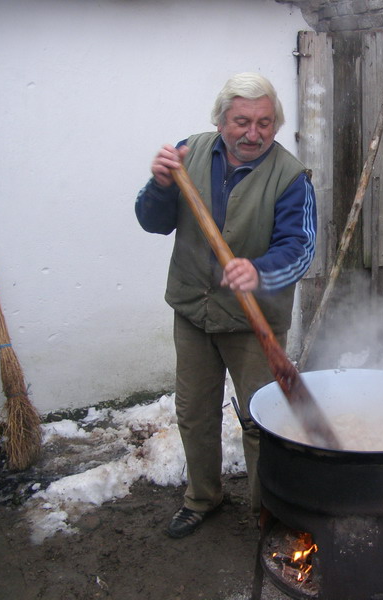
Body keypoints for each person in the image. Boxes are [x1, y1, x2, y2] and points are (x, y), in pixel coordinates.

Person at [135, 72, 316, 538]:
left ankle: (268, 509)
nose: (253, 133)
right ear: (220, 121)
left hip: (253, 325)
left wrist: (259, 271)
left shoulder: (291, 178)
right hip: (193, 311)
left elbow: (300, 249)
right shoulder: (186, 154)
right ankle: (202, 497)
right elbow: (152, 223)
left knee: (261, 421)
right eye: (241, 121)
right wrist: (158, 186)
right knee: (194, 411)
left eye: (264, 122)